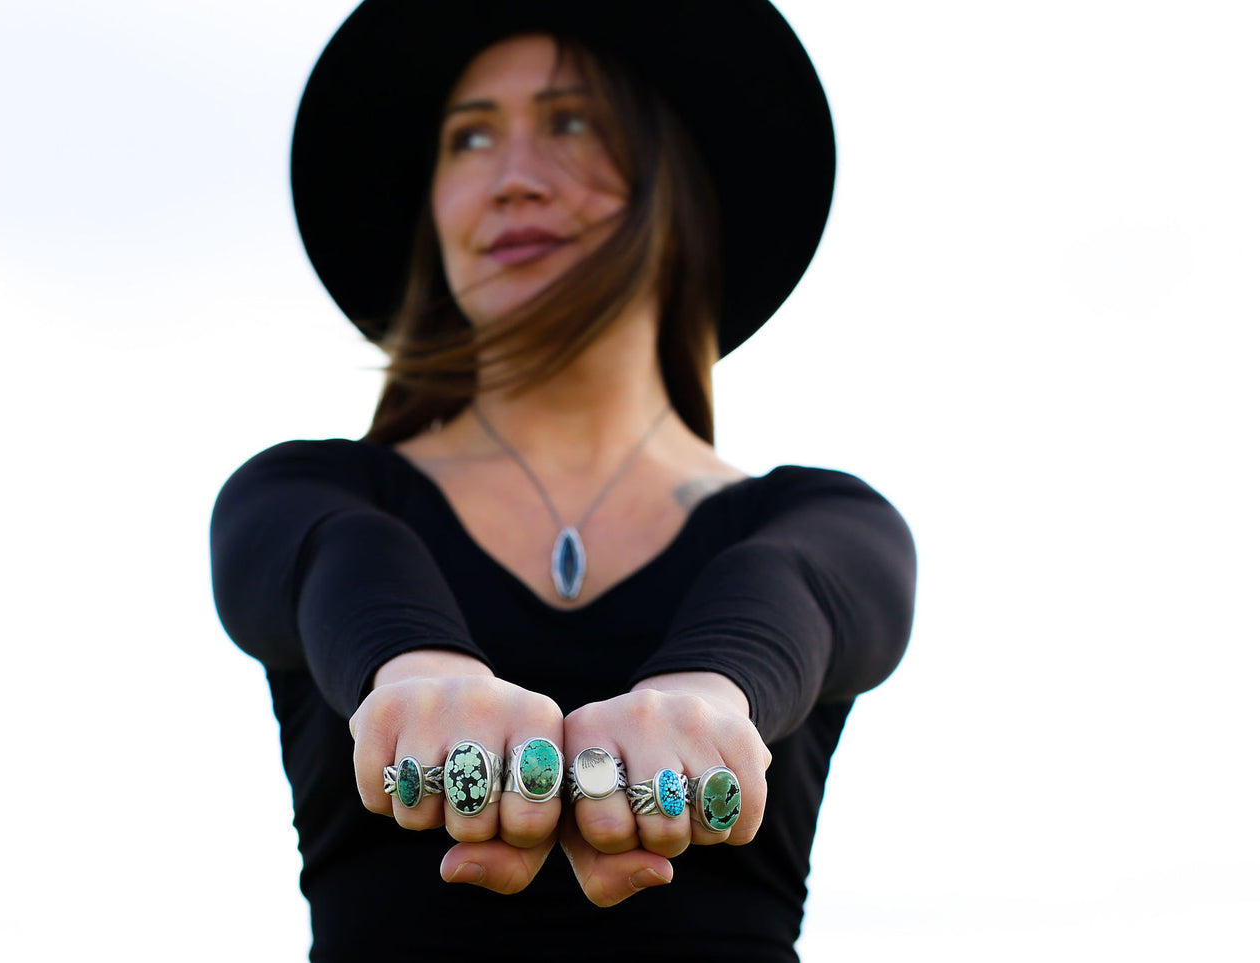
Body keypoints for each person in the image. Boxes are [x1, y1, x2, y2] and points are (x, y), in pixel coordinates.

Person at [210, 1, 917, 959]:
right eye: (469, 139)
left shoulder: (820, 519)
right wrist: (423, 674)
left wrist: (705, 700)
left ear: (676, 181)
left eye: (571, 121)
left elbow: (787, 588)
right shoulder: (310, 496)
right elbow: (347, 561)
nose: (511, 180)